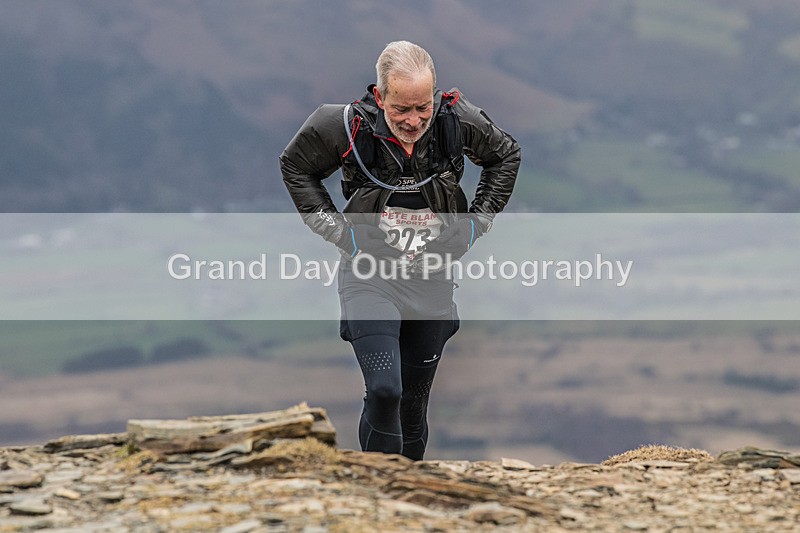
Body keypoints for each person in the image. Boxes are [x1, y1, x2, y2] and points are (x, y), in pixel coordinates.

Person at [279, 41, 520, 460]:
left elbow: (506, 156)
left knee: (412, 406)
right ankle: (375, 486)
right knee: (385, 389)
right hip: (369, 275)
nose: (413, 120)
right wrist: (341, 235)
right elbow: (295, 166)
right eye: (401, 109)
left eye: (423, 107)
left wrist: (475, 225)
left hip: (431, 278)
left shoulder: (457, 121)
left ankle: (407, 492)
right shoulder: (344, 125)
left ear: (434, 95)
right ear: (379, 96)